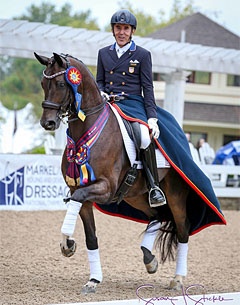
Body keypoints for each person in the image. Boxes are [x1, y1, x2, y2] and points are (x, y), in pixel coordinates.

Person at [96, 9, 166, 207]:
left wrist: (152, 117)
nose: (121, 32)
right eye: (118, 28)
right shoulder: (103, 53)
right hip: (109, 104)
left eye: (125, 28)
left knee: (144, 137)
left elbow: (148, 88)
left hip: (133, 104)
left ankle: (154, 187)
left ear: (132, 31)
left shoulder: (142, 55)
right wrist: (100, 92)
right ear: (113, 30)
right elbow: (99, 80)